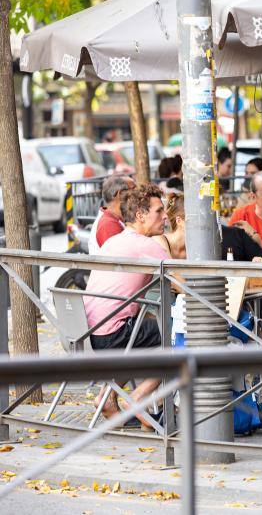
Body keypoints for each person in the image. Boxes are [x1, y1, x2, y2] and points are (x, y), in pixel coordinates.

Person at [84, 184, 169, 426]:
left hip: (93, 333)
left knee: (153, 327)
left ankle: (107, 399)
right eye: (158, 211)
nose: (165, 216)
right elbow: (185, 282)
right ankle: (139, 398)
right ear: (141, 216)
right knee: (180, 335)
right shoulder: (146, 245)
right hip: (115, 334)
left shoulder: (116, 241)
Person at [89, 174, 135, 255]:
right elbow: (122, 257)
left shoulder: (115, 218)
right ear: (120, 194)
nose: (137, 194)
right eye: (134, 189)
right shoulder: (109, 224)